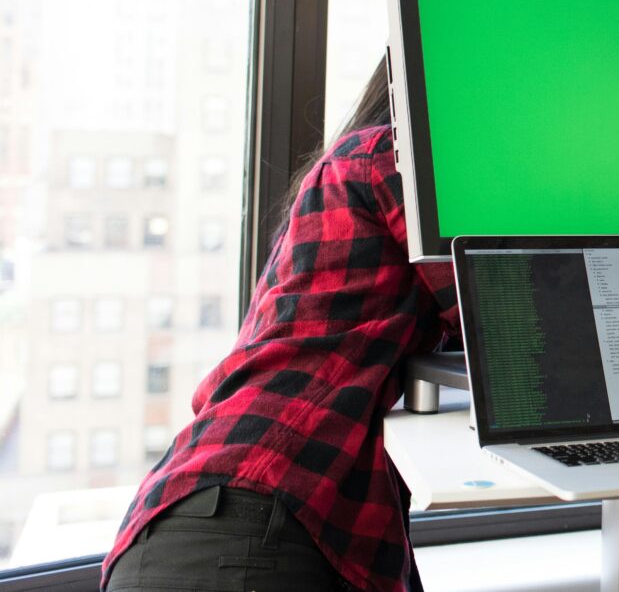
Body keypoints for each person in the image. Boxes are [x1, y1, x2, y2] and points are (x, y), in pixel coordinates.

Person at [103, 60, 456, 591]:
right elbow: (505, 326)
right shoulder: (394, 155)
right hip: (249, 527)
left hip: (203, 520)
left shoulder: (343, 176)